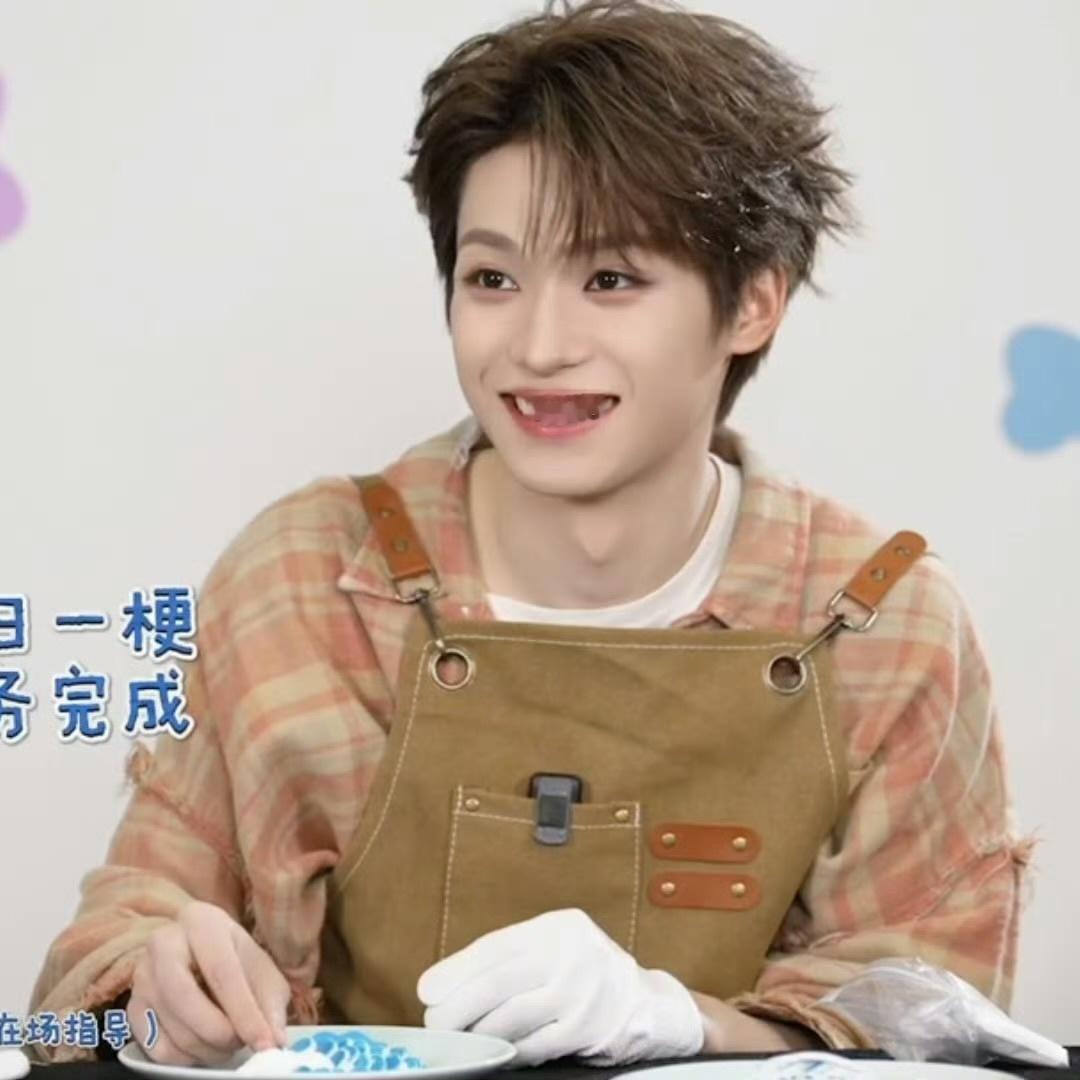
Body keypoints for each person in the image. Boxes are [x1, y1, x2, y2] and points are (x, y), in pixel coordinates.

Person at [29, 0, 1028, 1067]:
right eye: (493, 279)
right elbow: (100, 964)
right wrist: (157, 988)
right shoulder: (307, 576)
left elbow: (939, 1019)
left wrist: (689, 1022)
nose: (540, 346)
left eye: (612, 279)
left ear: (753, 304)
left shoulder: (883, 626)